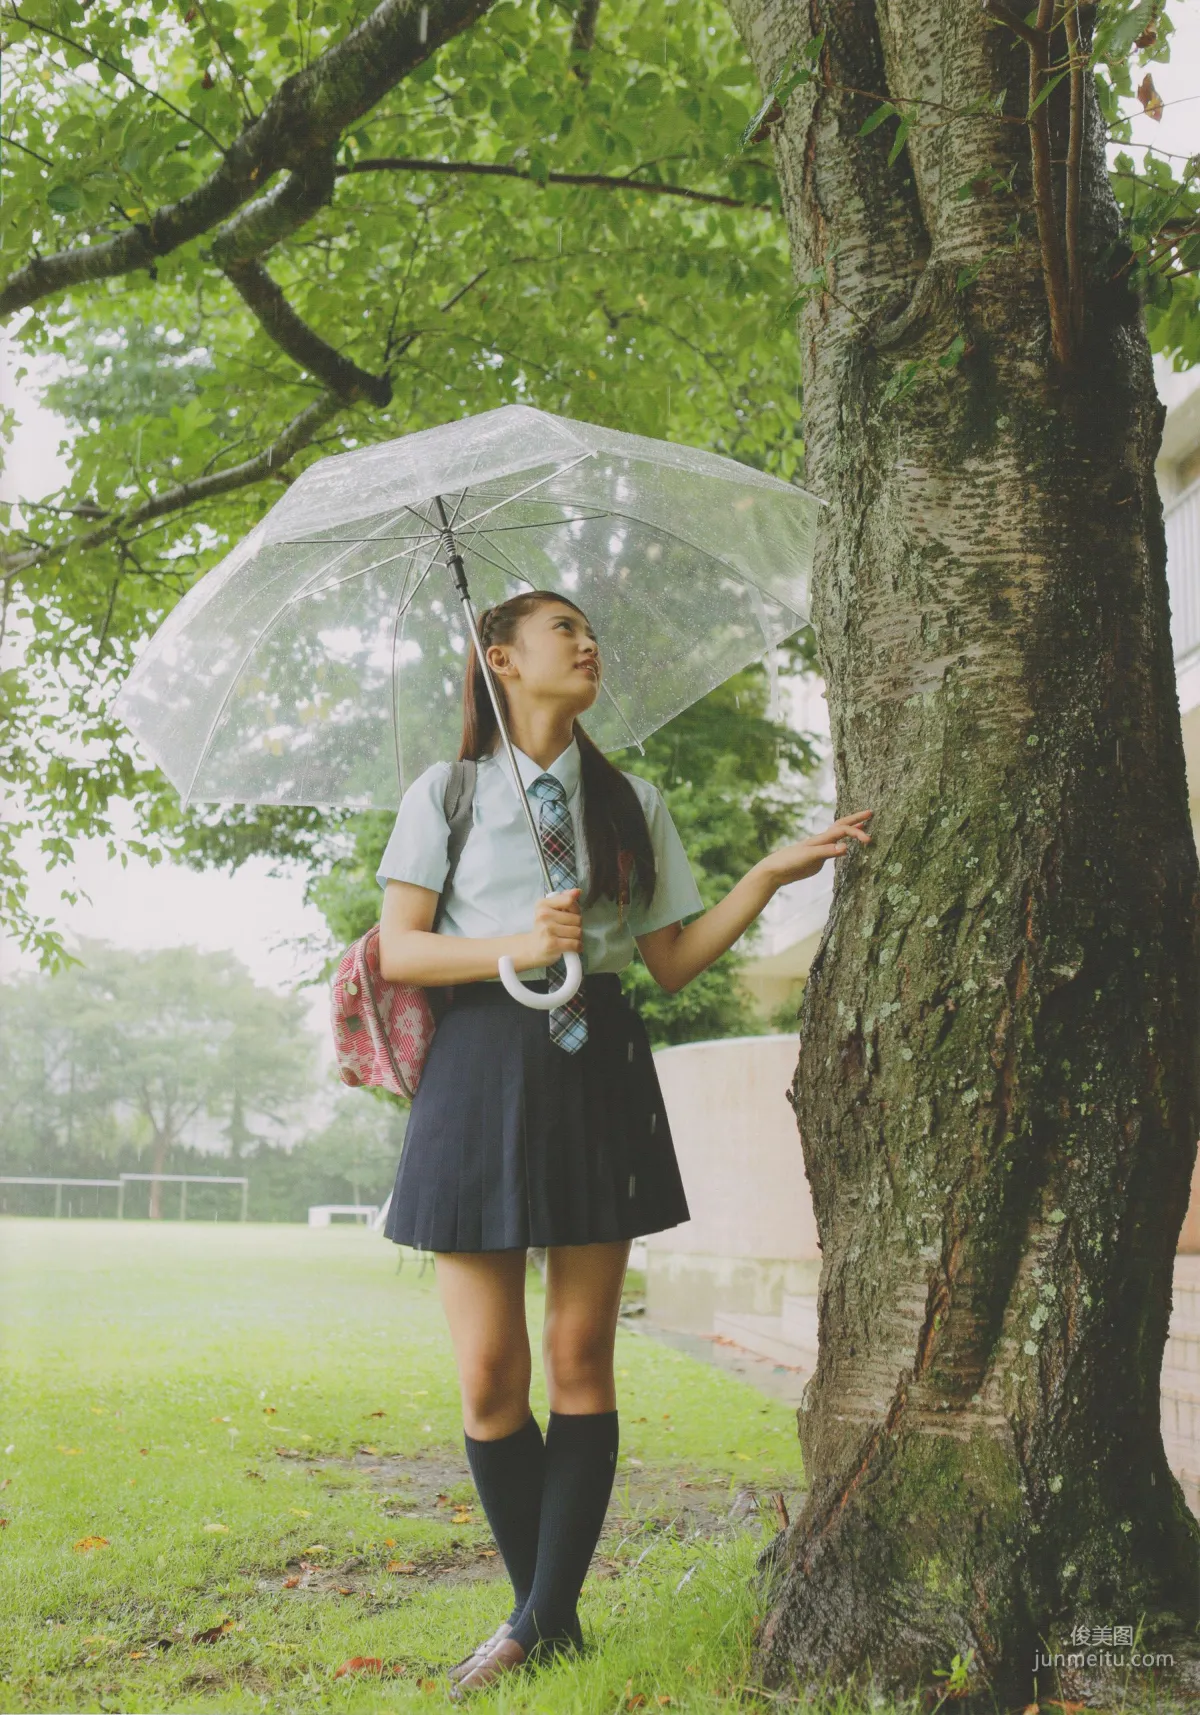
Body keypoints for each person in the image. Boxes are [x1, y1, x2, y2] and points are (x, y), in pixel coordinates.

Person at [375, 590, 872, 1694]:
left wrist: (767, 876)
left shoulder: (629, 799)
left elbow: (673, 959)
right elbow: (402, 952)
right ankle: (542, 1618)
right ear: (501, 657)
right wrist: (516, 939)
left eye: (592, 628)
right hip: (476, 1070)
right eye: (563, 630)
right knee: (491, 1371)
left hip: (594, 1064)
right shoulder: (446, 794)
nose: (588, 642)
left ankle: (539, 1622)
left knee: (580, 1355)